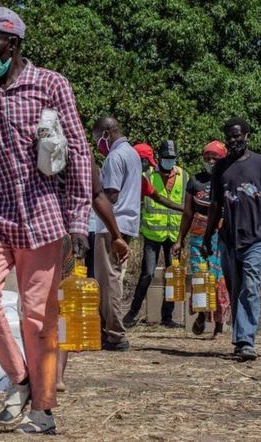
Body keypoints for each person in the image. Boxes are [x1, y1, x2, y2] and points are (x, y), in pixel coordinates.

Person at [0, 7, 92, 434]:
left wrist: (77, 221)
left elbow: (79, 154)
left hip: (42, 217)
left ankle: (42, 409)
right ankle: (18, 377)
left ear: (11, 43)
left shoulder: (50, 85)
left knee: (38, 317)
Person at [202, 117, 261, 361]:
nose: (234, 141)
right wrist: (207, 236)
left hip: (255, 238)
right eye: (229, 137)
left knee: (250, 287)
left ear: (247, 136)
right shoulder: (221, 168)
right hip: (228, 238)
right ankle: (240, 336)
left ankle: (246, 341)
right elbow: (214, 205)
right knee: (235, 289)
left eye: (237, 136)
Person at [56, 156, 131, 391]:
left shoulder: (80, 161)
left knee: (61, 308)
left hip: (63, 240)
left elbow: (98, 196)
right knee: (55, 309)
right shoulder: (80, 159)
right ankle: (51, 375)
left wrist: (116, 235)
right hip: (48, 239)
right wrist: (116, 235)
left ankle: (55, 376)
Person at [124, 140, 188, 328]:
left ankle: (167, 317)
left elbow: (187, 203)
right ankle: (132, 313)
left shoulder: (184, 176)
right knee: (147, 274)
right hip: (152, 233)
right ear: (159, 158)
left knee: (172, 274)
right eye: (166, 157)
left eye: (172, 158)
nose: (169, 161)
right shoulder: (147, 174)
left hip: (174, 234)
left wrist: (182, 235)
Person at [91, 117, 142, 351]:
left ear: (107, 133)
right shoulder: (132, 154)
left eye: (97, 138)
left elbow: (110, 196)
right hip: (127, 222)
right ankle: (109, 331)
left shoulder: (114, 157)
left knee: (108, 280)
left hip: (113, 225)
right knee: (112, 277)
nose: (98, 145)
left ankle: (115, 334)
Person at [171, 142, 230, 337]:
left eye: (215, 158)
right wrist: (180, 240)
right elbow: (188, 213)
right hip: (198, 235)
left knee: (219, 280)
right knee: (200, 277)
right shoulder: (195, 181)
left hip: (221, 235)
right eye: (207, 158)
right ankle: (202, 314)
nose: (210, 161)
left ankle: (220, 324)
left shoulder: (228, 180)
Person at [133, 143, 185, 212]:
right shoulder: (122, 175)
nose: (148, 167)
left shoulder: (142, 180)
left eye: (171, 158)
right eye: (149, 163)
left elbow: (158, 198)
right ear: (142, 160)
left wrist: (184, 209)